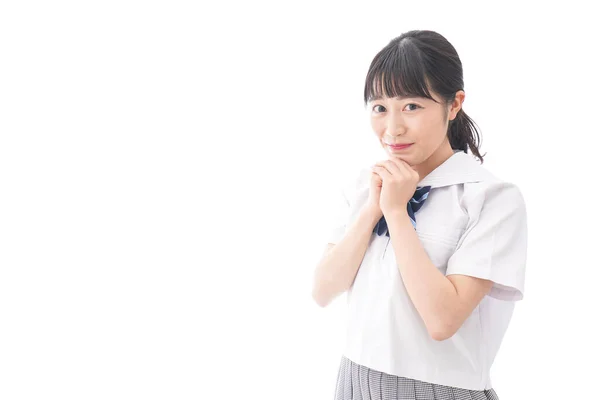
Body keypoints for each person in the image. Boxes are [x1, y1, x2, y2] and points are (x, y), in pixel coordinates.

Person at [312, 30, 527, 400]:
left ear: (454, 104)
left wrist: (396, 213)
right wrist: (372, 210)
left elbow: (442, 320)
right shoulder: (366, 186)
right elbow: (322, 290)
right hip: (352, 384)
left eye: (412, 106)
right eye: (380, 108)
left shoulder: (490, 198)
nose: (392, 129)